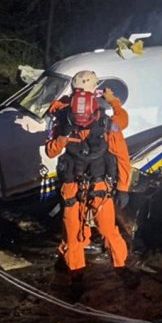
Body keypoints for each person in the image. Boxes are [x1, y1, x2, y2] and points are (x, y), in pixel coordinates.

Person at [45, 70, 138, 298]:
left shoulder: (104, 124)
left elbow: (122, 155)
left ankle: (118, 268)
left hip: (94, 188)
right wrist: (61, 140)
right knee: (78, 233)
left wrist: (123, 187)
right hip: (79, 187)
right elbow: (51, 149)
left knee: (101, 231)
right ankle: (77, 276)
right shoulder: (66, 120)